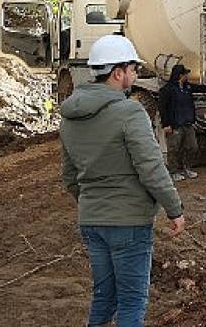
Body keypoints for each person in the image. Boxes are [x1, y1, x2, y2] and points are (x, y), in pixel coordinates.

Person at [60, 34, 184, 327]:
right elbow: (151, 168)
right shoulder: (129, 112)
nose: (136, 74)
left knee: (104, 296)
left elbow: (69, 177)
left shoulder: (69, 118)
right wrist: (174, 209)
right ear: (118, 73)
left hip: (91, 219)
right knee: (131, 301)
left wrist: (94, 204)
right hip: (128, 222)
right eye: (133, 69)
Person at [158, 63, 204, 180]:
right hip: (175, 125)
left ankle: (187, 168)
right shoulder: (167, 90)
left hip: (188, 123)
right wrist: (166, 124)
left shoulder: (187, 87)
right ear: (180, 75)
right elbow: (162, 107)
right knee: (174, 149)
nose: (187, 76)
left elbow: (201, 88)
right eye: (185, 74)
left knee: (192, 147)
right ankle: (173, 172)